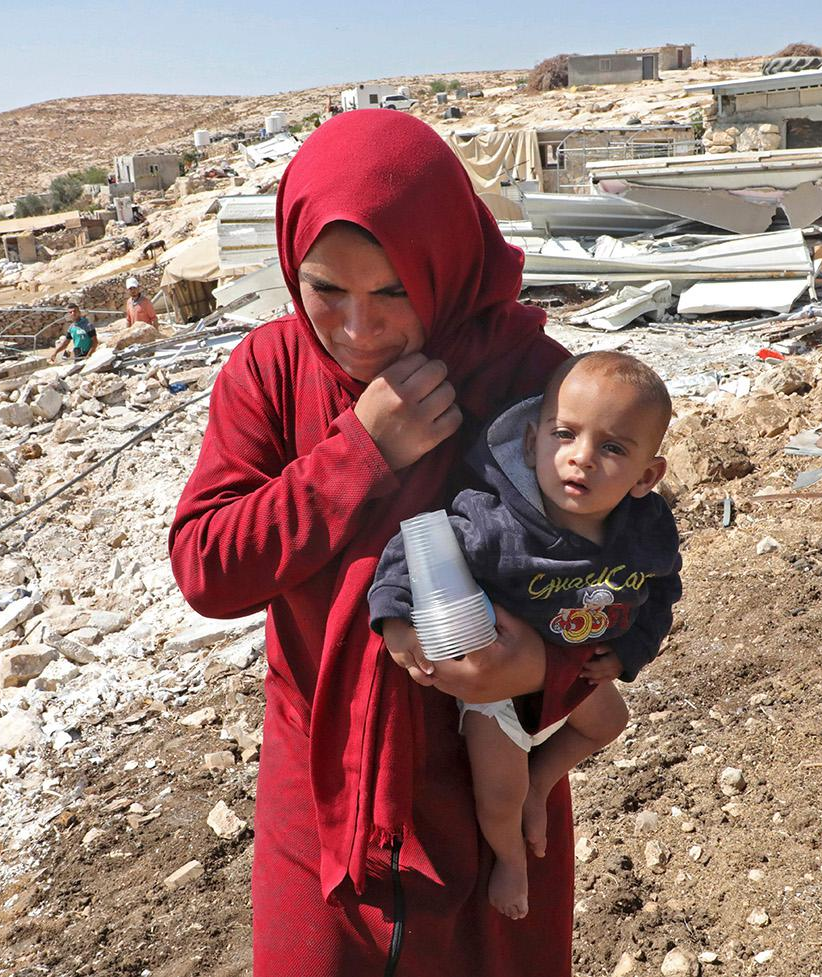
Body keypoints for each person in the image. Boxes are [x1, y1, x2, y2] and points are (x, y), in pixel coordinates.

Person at [169, 111, 591, 975]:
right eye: (327, 290)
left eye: (394, 290)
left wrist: (542, 670)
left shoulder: (530, 378)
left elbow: (613, 580)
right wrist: (358, 452)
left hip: (492, 785)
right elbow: (207, 566)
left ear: (444, 259)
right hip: (321, 792)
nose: (359, 329)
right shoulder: (269, 371)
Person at [370, 351, 681, 920]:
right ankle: (511, 857)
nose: (581, 458)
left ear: (647, 475)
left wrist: (631, 650)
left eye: (612, 448)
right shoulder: (497, 523)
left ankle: (545, 781)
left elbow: (662, 590)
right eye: (565, 434)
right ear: (533, 441)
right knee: (498, 791)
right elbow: (408, 550)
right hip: (497, 691)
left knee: (612, 721)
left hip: (579, 670)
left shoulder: (647, 532)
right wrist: (394, 618)